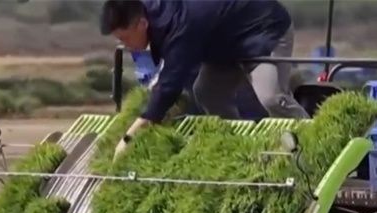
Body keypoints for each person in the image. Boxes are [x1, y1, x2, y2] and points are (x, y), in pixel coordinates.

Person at [100, 0, 310, 158]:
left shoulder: (180, 26)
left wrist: (129, 138)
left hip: (263, 31)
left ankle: (313, 142)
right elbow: (169, 69)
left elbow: (170, 85)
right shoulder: (154, 13)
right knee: (207, 92)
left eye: (125, 38)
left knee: (271, 97)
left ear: (142, 24)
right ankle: (240, 147)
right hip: (225, 43)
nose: (126, 46)